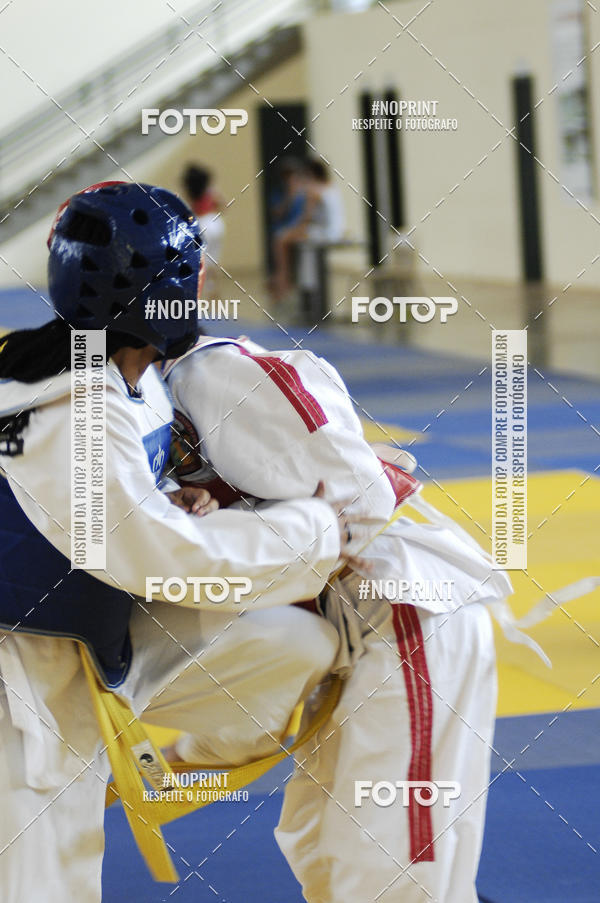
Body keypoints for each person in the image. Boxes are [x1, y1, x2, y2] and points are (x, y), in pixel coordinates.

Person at [0, 182, 348, 902]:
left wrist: (160, 497)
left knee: (298, 646)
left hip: (88, 625)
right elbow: (166, 555)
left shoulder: (114, 373)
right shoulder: (76, 405)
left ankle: (165, 770)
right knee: (46, 877)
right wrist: (314, 531)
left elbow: (107, 509)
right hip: (23, 665)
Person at [162, 333, 514, 903]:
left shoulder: (215, 375)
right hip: (348, 644)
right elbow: (254, 690)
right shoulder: (140, 422)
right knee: (321, 855)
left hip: (410, 616)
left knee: (393, 879)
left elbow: (363, 492)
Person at [271, 158, 345, 304]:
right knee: (288, 238)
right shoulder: (330, 187)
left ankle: (283, 276)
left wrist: (293, 231)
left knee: (281, 239)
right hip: (335, 229)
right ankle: (288, 277)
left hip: (326, 232)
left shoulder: (313, 191)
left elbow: (306, 218)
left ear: (310, 174)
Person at [181, 163, 225, 293]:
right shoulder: (211, 191)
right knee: (213, 262)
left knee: (200, 262)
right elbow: (223, 205)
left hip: (201, 225)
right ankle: (214, 292)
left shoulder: (190, 192)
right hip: (216, 223)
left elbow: (188, 212)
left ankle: (199, 294)